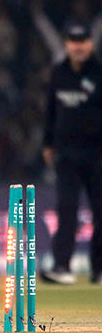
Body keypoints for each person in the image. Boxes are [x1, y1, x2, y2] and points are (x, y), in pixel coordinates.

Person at [42, 22, 102, 285]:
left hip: (97, 153)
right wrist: (47, 143)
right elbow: (51, 112)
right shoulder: (58, 73)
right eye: (73, 41)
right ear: (66, 44)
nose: (78, 47)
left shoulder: (99, 73)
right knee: (66, 210)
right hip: (66, 153)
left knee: (101, 211)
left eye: (82, 41)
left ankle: (99, 270)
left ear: (90, 44)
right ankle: (61, 267)